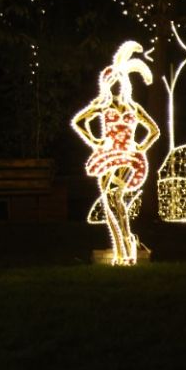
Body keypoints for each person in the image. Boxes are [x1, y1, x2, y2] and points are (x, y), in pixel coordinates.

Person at [72, 42, 160, 265]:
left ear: (124, 84)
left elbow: (154, 131)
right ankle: (124, 249)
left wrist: (140, 147)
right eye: (111, 83)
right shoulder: (103, 105)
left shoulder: (133, 108)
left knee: (115, 198)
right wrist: (95, 141)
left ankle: (125, 249)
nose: (115, 87)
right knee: (112, 202)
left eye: (118, 82)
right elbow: (79, 121)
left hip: (128, 159)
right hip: (108, 157)